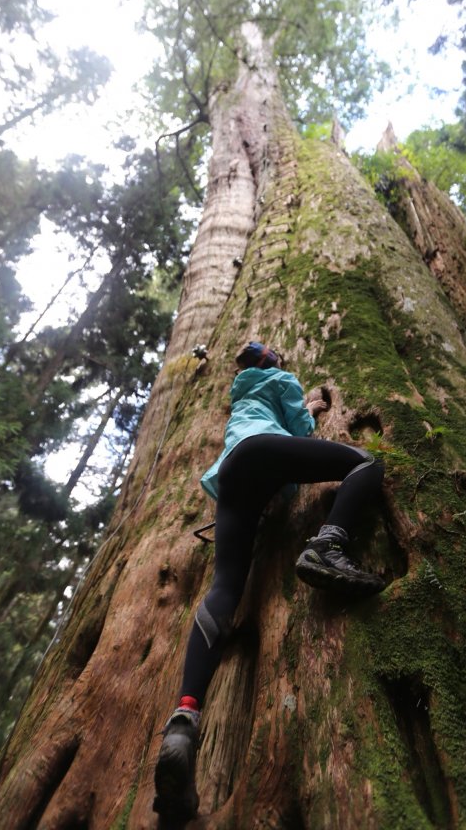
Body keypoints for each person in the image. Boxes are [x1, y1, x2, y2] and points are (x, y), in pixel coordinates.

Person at [153, 342, 385, 823]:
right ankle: (330, 544)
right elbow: (301, 428)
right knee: (365, 462)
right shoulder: (279, 379)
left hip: (234, 470)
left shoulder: (240, 394)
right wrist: (313, 408)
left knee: (225, 587)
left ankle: (185, 716)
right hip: (268, 453)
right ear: (272, 362)